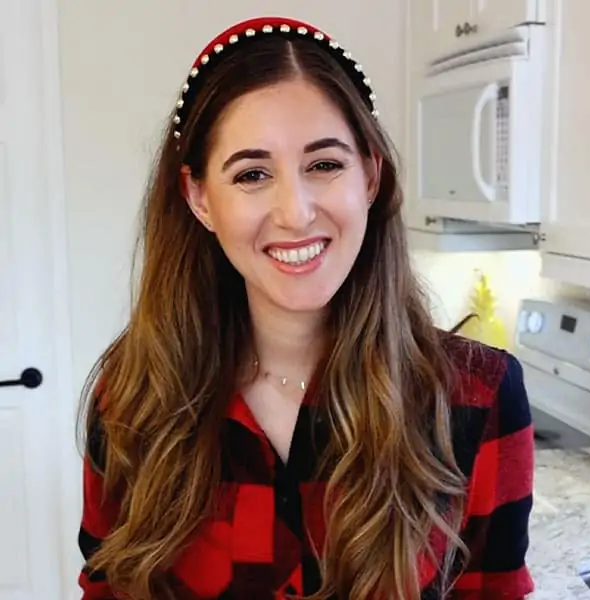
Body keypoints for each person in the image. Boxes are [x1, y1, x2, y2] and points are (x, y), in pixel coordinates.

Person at [76, 16, 535, 600]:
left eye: (324, 164)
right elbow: (107, 588)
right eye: (252, 174)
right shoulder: (130, 398)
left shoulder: (477, 397)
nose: (295, 212)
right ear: (199, 198)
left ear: (369, 175)